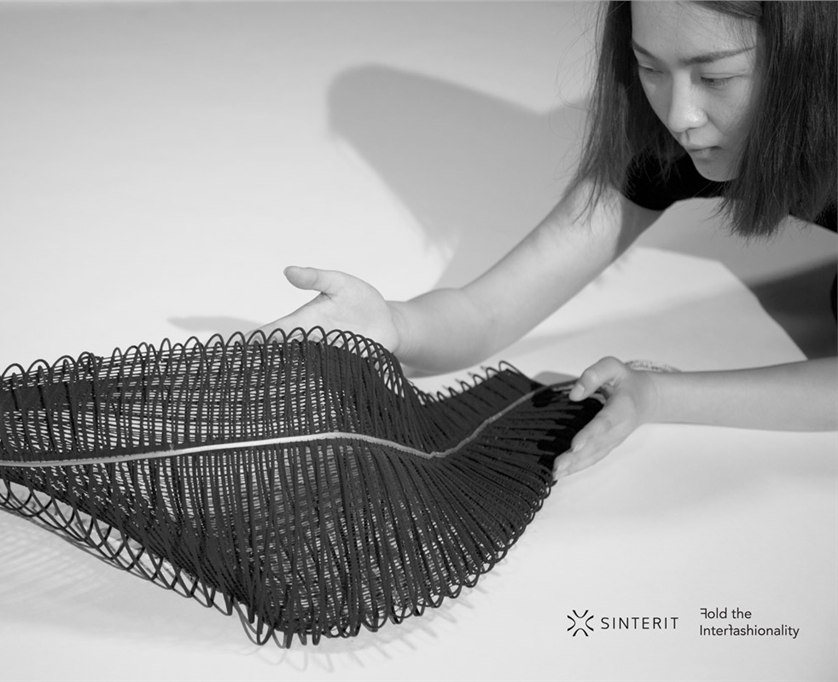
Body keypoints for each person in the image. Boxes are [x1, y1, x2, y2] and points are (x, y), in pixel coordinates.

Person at [261, 1, 837, 479]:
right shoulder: (664, 137)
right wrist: (393, 324)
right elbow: (489, 310)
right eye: (650, 67)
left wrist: (664, 394)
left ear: (809, 53)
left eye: (715, 78)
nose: (679, 115)